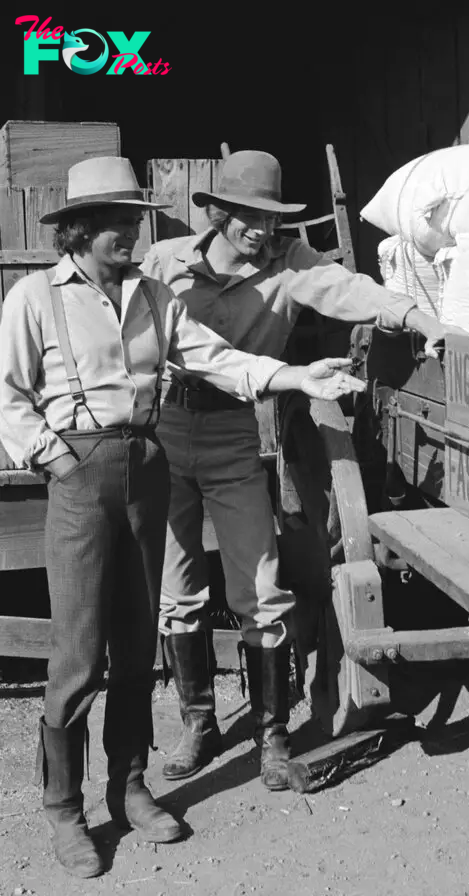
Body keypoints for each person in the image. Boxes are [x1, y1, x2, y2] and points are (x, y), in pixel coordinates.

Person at [0, 156, 366, 880]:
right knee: (78, 654)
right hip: (78, 476)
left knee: (139, 644)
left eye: (134, 221)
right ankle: (65, 810)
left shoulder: (152, 297)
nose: (131, 234)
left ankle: (129, 786)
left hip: (146, 467)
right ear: (79, 229)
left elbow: (218, 359)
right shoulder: (35, 299)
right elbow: (8, 395)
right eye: (116, 223)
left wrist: (296, 375)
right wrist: (55, 459)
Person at [140, 149, 462, 793]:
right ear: (221, 212)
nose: (261, 231)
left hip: (236, 432)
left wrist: (419, 317)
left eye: (271, 219)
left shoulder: (291, 266)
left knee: (257, 583)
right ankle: (199, 724)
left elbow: (354, 292)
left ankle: (271, 737)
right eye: (249, 218)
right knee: (176, 590)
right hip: (167, 430)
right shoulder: (164, 262)